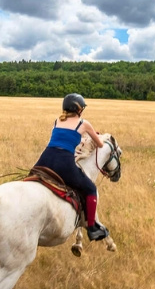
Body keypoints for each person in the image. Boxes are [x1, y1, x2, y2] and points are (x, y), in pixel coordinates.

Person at [34, 93, 109, 241]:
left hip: (45, 158)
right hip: (64, 162)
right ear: (79, 109)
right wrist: (95, 137)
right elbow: (100, 144)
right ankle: (93, 228)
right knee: (90, 189)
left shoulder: (57, 121)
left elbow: (64, 137)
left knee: (32, 179)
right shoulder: (84, 124)